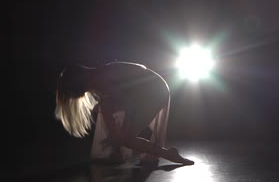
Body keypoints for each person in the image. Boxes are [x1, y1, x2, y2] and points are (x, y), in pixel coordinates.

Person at [55, 61, 194, 165]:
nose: (72, 96)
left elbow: (130, 103)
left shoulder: (103, 78)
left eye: (70, 91)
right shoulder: (96, 81)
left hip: (154, 91)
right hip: (148, 91)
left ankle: (168, 153)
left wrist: (123, 135)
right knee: (106, 109)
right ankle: (118, 151)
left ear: (77, 82)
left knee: (126, 137)